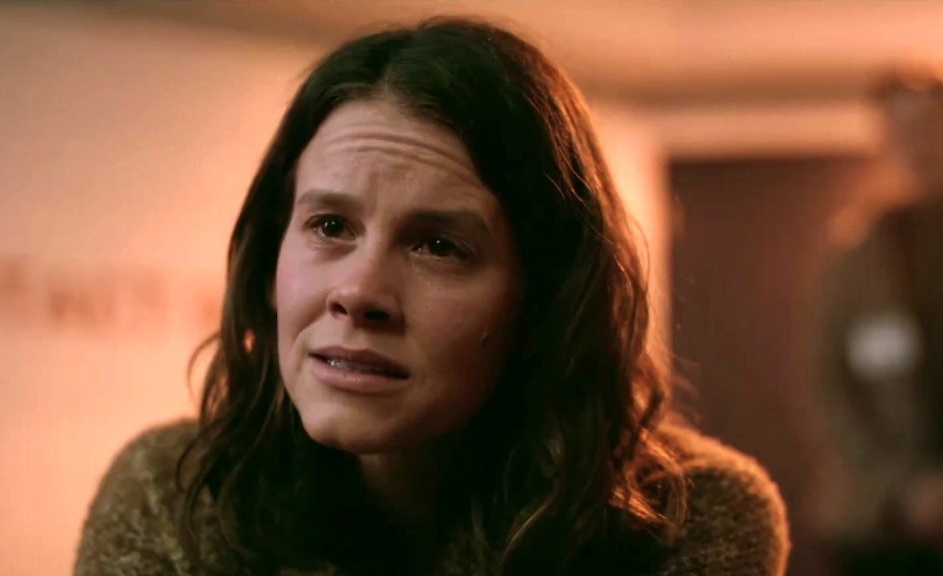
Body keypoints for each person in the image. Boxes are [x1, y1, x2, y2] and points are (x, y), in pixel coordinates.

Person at [75, 17, 788, 576]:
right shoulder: (167, 494)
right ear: (269, 260)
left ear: (545, 300)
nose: (359, 292)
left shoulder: (690, 518)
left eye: (438, 245)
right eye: (330, 226)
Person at [815, 66, 943, 575]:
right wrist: (905, 484)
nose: (916, 144)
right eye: (899, 130)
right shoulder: (861, 255)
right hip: (882, 523)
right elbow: (830, 383)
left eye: (928, 126)